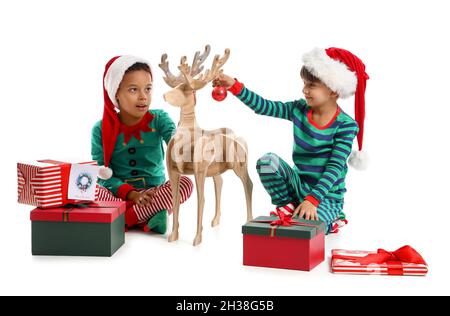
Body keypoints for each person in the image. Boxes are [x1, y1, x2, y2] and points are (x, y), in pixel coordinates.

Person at [213, 47, 369, 233]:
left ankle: (333, 217)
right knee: (267, 162)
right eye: (304, 83)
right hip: (298, 187)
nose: (304, 90)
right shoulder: (298, 109)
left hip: (326, 195)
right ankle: (287, 205)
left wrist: (313, 200)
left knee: (313, 225)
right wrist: (235, 86)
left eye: (311, 85)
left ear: (334, 90)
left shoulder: (345, 126)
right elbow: (264, 107)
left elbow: (334, 168)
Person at [92, 55, 193, 234]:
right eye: (133, 90)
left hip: (155, 193)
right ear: (116, 93)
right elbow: (101, 174)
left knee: (184, 183)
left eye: (148, 89)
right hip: (121, 195)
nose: (143, 97)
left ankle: (125, 220)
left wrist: (182, 132)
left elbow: (174, 140)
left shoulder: (159, 119)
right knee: (92, 190)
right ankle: (151, 216)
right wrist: (132, 194)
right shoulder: (100, 129)